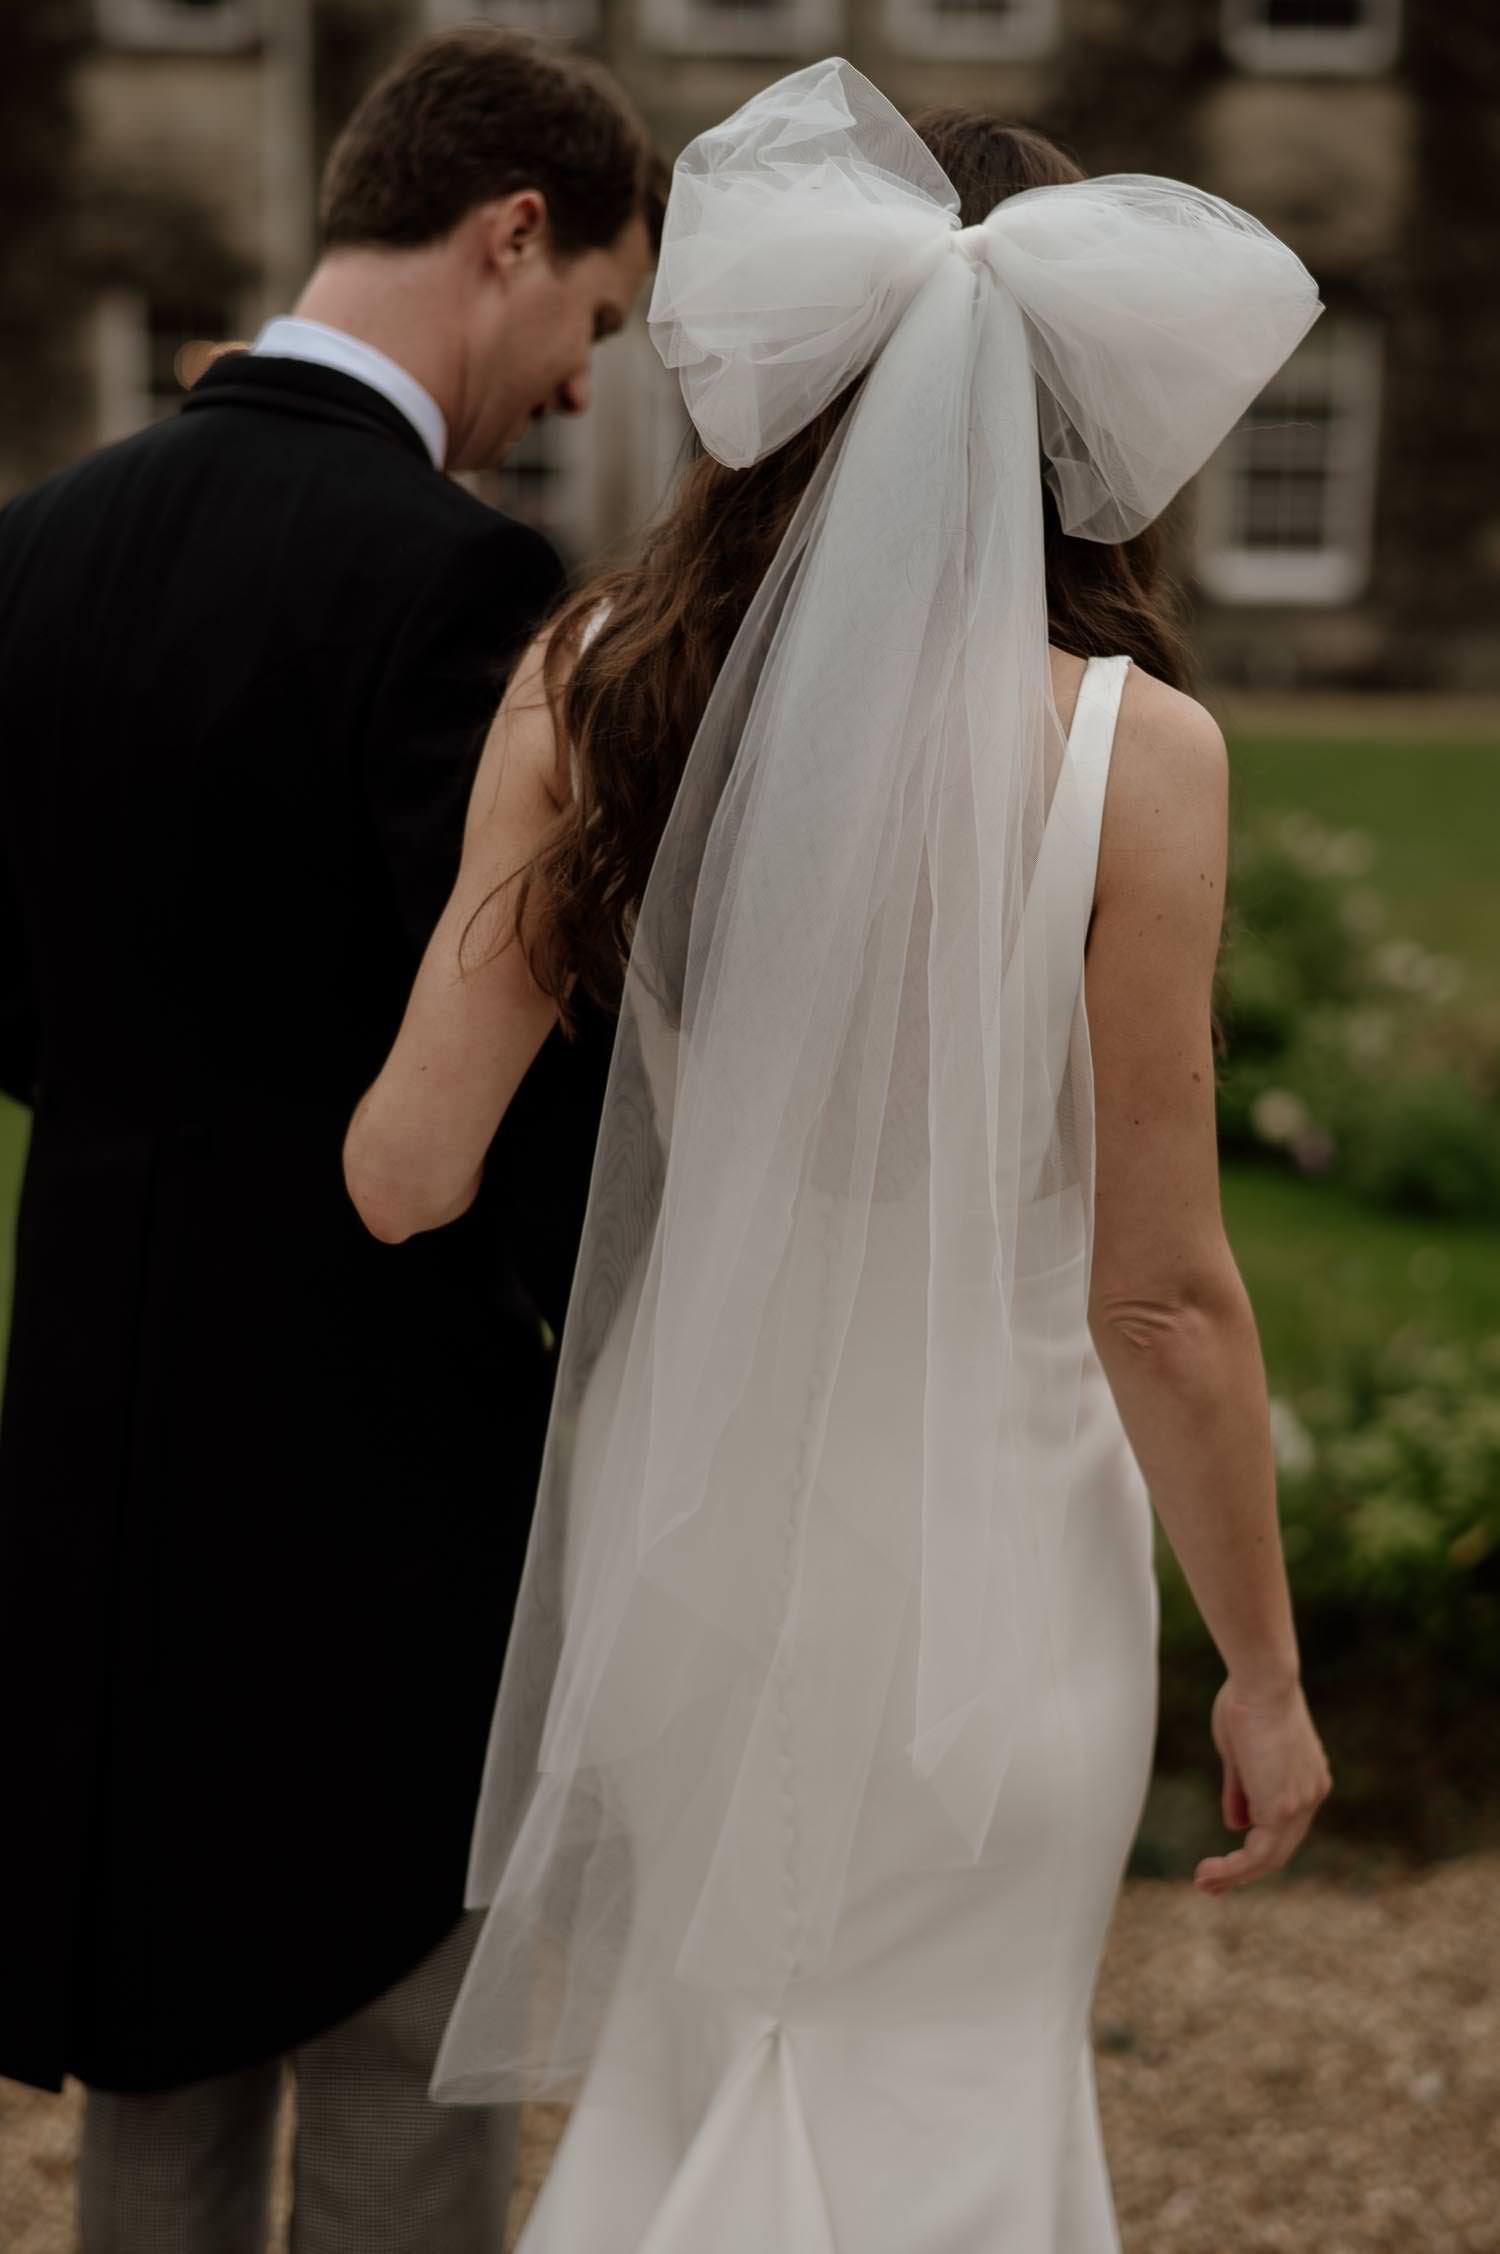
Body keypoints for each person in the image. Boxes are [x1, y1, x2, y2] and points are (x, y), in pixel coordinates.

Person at [346, 60, 1334, 2253]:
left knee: (717, 2053)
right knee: (952, 2084)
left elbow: (410, 1164)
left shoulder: (589, 678)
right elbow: (1159, 1291)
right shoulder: (1133, 753)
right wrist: (1263, 1669)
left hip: (695, 1522)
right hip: (993, 1549)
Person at [0, 26, 657, 2254]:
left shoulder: (39, 548)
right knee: (395, 2075)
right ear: (509, 235)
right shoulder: (451, 586)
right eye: (593, 321)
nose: (582, 387)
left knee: (156, 2082)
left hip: (90, 1419)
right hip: (375, 1456)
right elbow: (517, 1066)